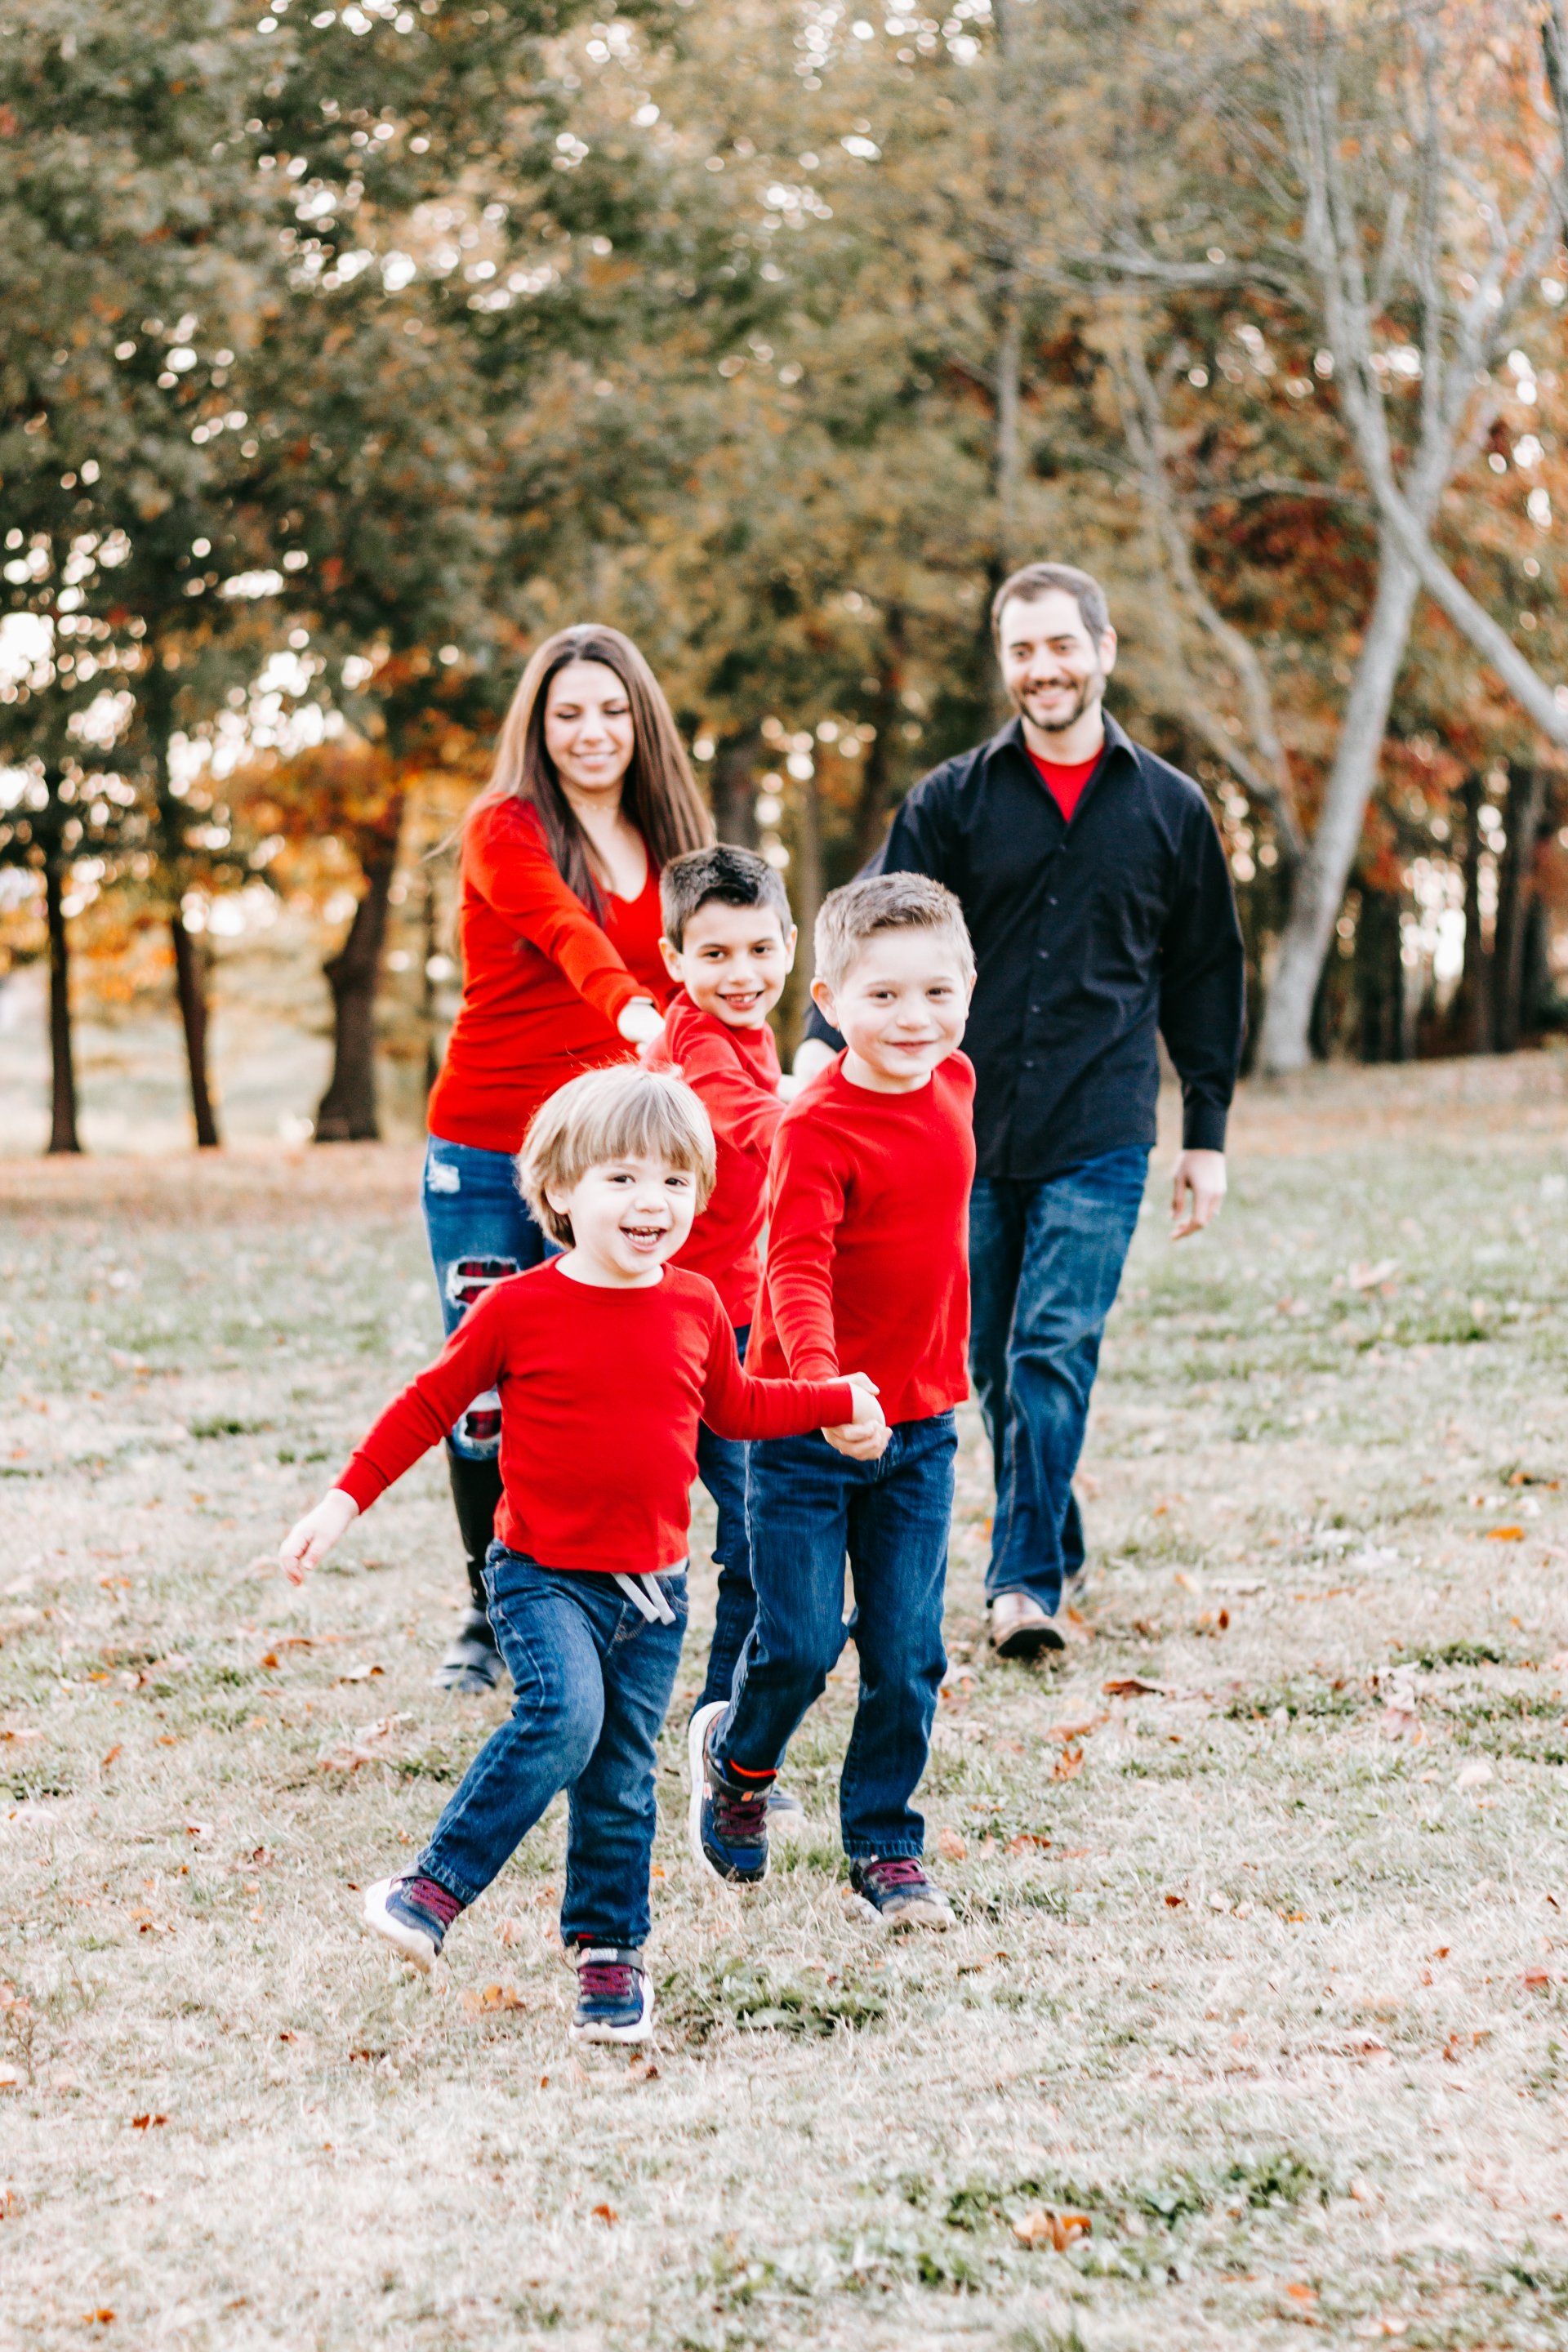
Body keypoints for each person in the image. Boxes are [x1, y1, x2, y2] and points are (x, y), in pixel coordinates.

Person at [277, 1066, 886, 2046]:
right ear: (559, 1190)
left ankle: (610, 1956)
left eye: (674, 1183)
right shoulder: (520, 1308)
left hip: (651, 1597)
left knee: (619, 1778)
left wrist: (833, 1397)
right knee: (564, 1717)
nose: (652, 1203)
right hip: (540, 1576)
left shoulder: (692, 1306)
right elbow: (428, 1407)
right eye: (622, 1180)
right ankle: (431, 1893)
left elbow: (734, 1408)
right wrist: (341, 1502)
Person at [796, 563, 1245, 1659]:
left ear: (1103, 648)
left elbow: (1206, 975)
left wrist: (1208, 1141)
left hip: (1102, 1126)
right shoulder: (952, 800)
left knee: (1051, 1349)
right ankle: (1059, 1531)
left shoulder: (1170, 808)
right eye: (1022, 650)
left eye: (1061, 645)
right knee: (991, 1363)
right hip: (963, 1133)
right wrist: (813, 1058)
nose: (1044, 668)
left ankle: (1022, 1584)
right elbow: (875, 923)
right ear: (1005, 664)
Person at [422, 625, 713, 1693]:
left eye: (611, 712)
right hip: (487, 1152)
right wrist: (634, 1009)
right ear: (538, 731)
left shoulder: (674, 843)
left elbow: (709, 970)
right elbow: (562, 931)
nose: (592, 733)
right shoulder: (503, 827)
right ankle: (488, 1612)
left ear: (641, 723)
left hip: (614, 1165)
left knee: (609, 1378)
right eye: (568, 714)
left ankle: (599, 1588)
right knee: (486, 1395)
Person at [688, 874, 977, 1930]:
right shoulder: (814, 1124)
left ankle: (887, 1847)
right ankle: (739, 1762)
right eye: (884, 998)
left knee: (907, 1653)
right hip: (807, 1428)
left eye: (938, 994)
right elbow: (793, 1271)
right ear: (829, 1000)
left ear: (969, 991)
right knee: (803, 1641)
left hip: (924, 1428)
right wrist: (824, 1387)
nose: (915, 1021)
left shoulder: (958, 1084)